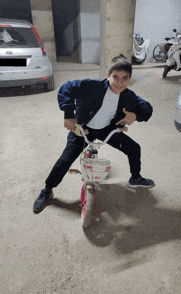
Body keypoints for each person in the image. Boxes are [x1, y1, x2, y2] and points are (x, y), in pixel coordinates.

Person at [33, 54, 154, 214]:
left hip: (107, 130)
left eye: (125, 78)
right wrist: (69, 114)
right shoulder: (92, 86)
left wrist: (135, 115)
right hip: (84, 129)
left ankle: (136, 178)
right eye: (115, 77)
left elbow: (146, 107)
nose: (120, 82)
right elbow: (66, 88)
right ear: (108, 76)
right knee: (65, 160)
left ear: (130, 79)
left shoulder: (127, 96)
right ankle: (47, 190)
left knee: (134, 148)